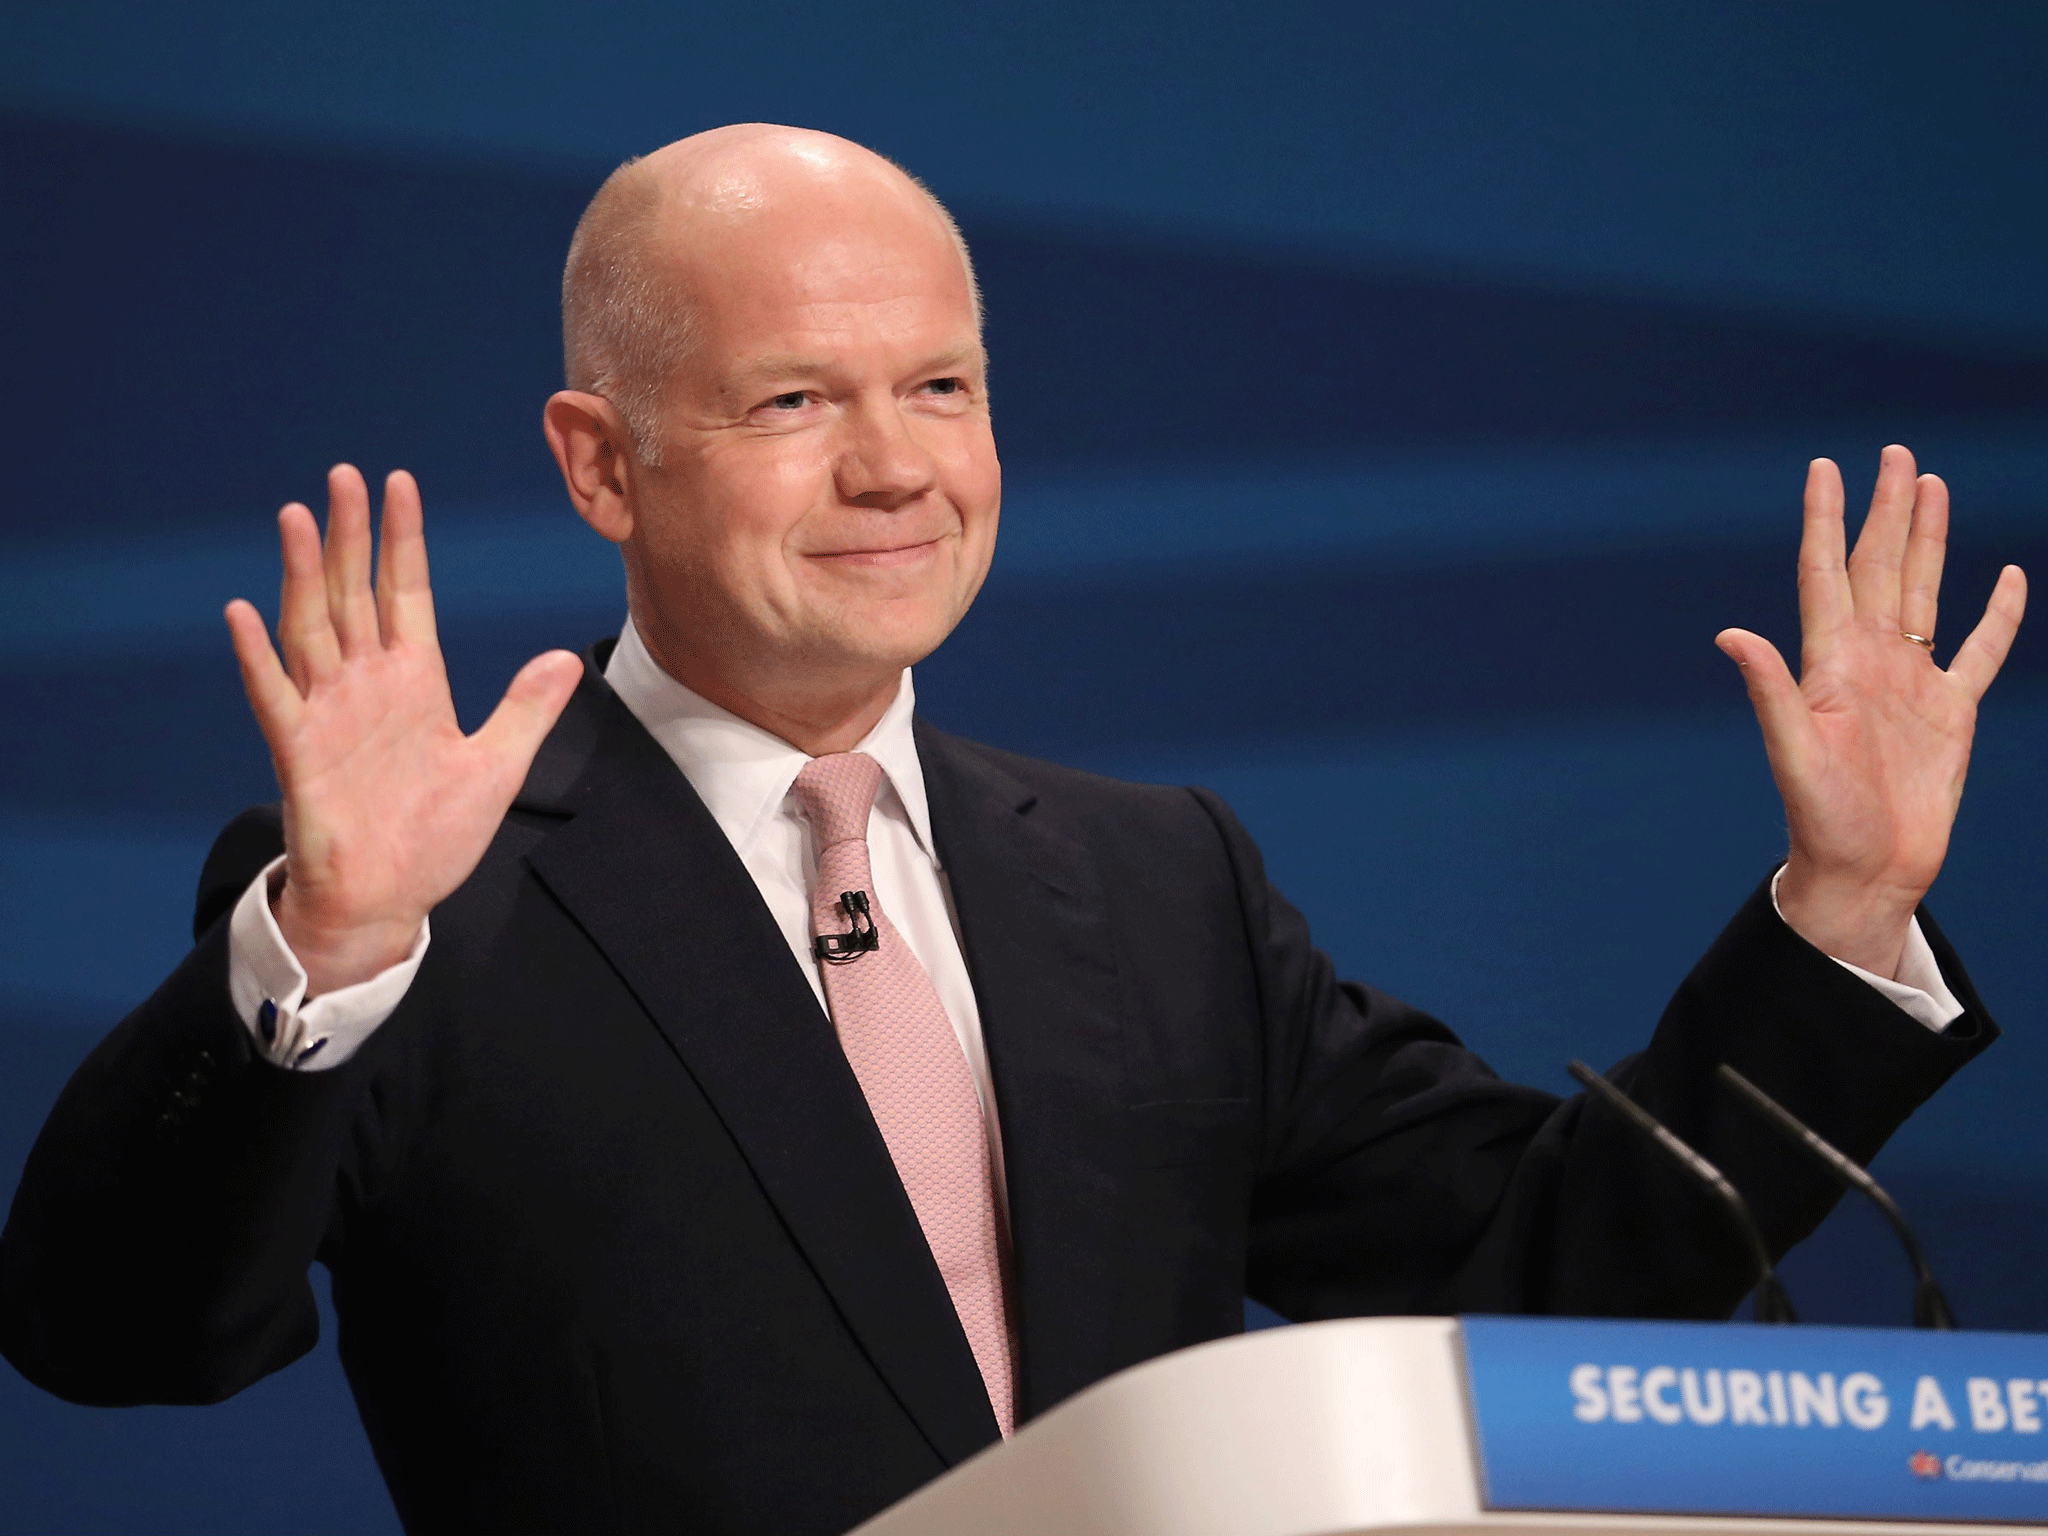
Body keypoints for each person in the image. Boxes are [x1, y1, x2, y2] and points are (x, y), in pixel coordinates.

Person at [0, 124, 2027, 1536]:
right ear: (602, 464)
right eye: (796, 403)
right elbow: (119, 1338)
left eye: (941, 387)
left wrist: (1839, 908)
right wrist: (328, 948)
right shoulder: (417, 895)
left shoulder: (1157, 885)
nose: (895, 469)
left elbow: (1543, 1280)